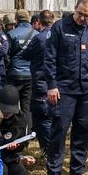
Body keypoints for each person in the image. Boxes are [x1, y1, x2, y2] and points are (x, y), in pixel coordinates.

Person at [42, 0, 88, 175]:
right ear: (74, 9)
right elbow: (49, 58)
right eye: (80, 14)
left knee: (83, 129)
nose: (83, 18)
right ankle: (54, 172)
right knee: (59, 129)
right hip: (63, 89)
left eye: (87, 15)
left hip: (86, 89)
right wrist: (51, 85)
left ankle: (78, 168)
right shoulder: (60, 28)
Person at [19, 10, 56, 151]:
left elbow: (25, 54)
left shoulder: (39, 38)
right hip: (55, 82)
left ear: (39, 22)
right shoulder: (59, 36)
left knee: (42, 118)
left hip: (41, 81)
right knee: (52, 116)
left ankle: (47, 149)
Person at [0, 84, 34, 175]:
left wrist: (16, 147)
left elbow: (22, 142)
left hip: (9, 156)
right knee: (3, 171)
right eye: (4, 110)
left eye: (10, 111)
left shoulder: (19, 118)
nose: (7, 113)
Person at [6, 9, 36, 124]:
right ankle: (27, 132)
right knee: (27, 106)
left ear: (16, 20)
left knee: (11, 104)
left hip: (14, 75)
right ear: (28, 19)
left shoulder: (11, 34)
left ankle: (14, 130)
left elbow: (6, 55)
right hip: (30, 74)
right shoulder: (36, 34)